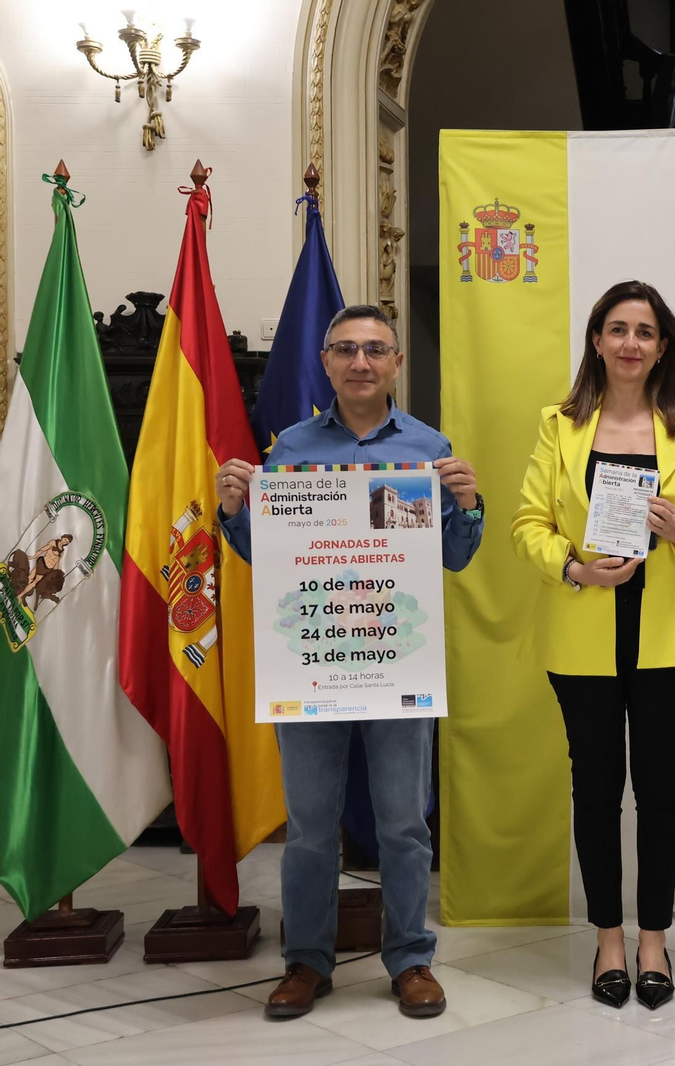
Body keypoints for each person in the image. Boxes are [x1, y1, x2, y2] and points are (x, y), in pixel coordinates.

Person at [216, 304, 483, 1020]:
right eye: (345, 349)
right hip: (311, 662)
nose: (360, 362)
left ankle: (411, 959)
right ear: (326, 362)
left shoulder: (429, 449)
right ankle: (306, 961)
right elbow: (263, 562)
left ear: (397, 364)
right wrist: (237, 512)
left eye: (375, 350)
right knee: (308, 826)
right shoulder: (290, 449)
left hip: (397, 661)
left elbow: (455, 557)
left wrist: (468, 503)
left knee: (403, 823)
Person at [511, 280, 675, 1011]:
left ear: (663, 346)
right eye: (618, 329)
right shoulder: (560, 424)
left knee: (662, 790)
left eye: (645, 331)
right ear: (597, 341)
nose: (631, 343)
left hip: (669, 634)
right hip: (584, 628)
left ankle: (653, 940)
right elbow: (528, 524)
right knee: (597, 789)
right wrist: (573, 569)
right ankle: (609, 936)